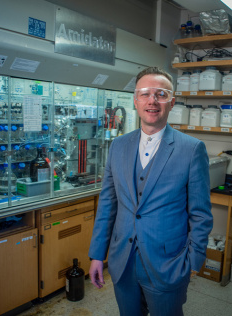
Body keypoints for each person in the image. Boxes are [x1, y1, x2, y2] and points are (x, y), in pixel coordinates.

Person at [88, 66, 213, 316]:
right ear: (135, 101)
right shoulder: (118, 146)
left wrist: (193, 262)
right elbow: (107, 205)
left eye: (161, 94)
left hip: (168, 264)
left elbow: (200, 213)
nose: (152, 101)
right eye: (145, 94)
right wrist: (97, 255)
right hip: (122, 261)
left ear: (172, 102)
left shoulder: (191, 149)